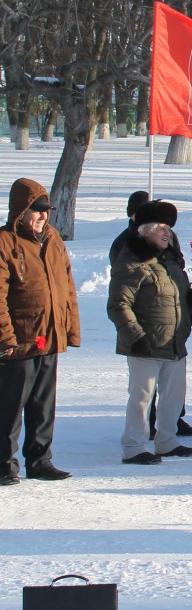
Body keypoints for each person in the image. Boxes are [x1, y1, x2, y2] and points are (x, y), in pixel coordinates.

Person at [108, 200, 192, 465]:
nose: (166, 232)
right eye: (160, 227)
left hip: (173, 342)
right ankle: (134, 446)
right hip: (145, 343)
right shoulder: (131, 262)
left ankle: (167, 441)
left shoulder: (171, 261)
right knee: (142, 397)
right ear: (144, 230)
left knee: (174, 396)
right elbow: (118, 304)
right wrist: (135, 337)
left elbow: (174, 297)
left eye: (169, 228)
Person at [0, 178, 81, 484]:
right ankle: (4, 463)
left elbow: (67, 286)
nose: (43, 216)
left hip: (49, 335)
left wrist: (69, 327)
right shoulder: (5, 242)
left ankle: (40, 459)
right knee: (10, 405)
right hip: (18, 340)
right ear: (21, 211)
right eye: (36, 211)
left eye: (45, 211)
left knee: (43, 405)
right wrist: (5, 337)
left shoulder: (53, 239)